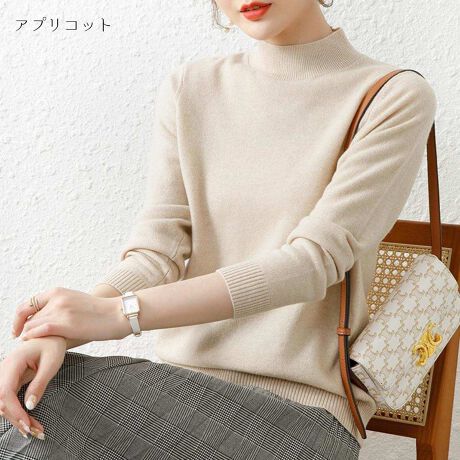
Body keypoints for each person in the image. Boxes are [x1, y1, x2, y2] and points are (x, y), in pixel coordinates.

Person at [0, 0, 437, 458]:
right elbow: (157, 253)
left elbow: (313, 262)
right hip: (178, 396)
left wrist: (118, 314)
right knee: (23, 391)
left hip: (302, 419)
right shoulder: (191, 89)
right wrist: (59, 330)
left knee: (41, 407)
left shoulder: (391, 96)